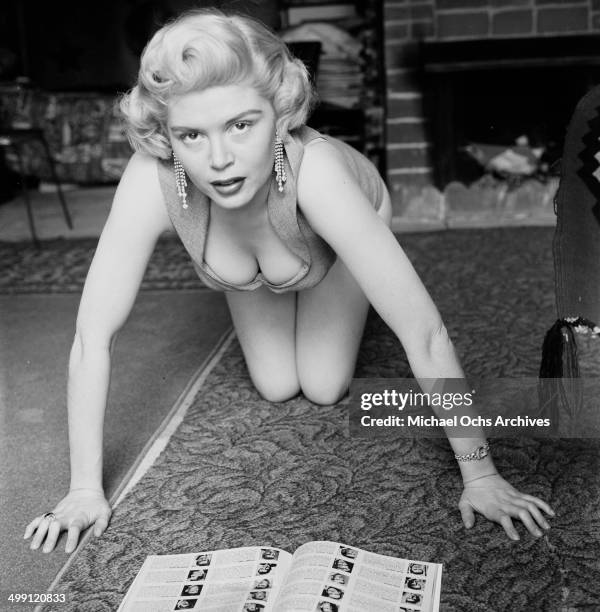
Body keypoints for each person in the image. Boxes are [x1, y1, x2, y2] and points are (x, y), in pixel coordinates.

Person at [23, 8, 555, 555]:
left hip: (334, 231)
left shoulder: (319, 175)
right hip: (251, 267)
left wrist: (481, 475)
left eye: (240, 125)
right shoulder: (150, 180)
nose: (220, 160)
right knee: (277, 385)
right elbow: (92, 337)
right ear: (165, 136)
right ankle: (268, 276)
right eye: (191, 135)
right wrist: (83, 490)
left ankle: (343, 276)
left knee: (325, 387)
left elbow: (425, 334)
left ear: (277, 116)